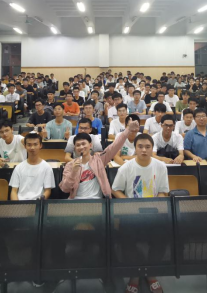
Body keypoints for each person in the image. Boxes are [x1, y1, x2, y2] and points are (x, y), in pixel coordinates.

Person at [111, 133, 169, 293]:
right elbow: (115, 189)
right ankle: (135, 275)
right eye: (140, 147)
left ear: (152, 148)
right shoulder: (126, 167)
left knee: (162, 238)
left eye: (148, 147)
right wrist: (129, 204)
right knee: (126, 241)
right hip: (131, 213)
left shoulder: (160, 166)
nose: (144, 150)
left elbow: (163, 191)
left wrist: (157, 206)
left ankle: (151, 273)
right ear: (135, 148)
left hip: (154, 212)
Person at [61, 118, 140, 198]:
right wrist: (73, 172)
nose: (81, 147)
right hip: (76, 201)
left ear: (90, 145)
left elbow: (114, 146)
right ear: (74, 148)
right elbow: (65, 189)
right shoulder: (70, 165)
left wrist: (128, 130)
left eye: (83, 144)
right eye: (78, 145)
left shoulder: (98, 160)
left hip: (97, 201)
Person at [9, 133, 55, 200]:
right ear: (25, 146)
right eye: (29, 145)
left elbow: (47, 191)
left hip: (38, 202)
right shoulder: (18, 167)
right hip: (21, 203)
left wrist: (39, 202)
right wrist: (17, 204)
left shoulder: (47, 167)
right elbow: (14, 191)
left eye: (35, 144)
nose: (32, 148)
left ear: (40, 146)